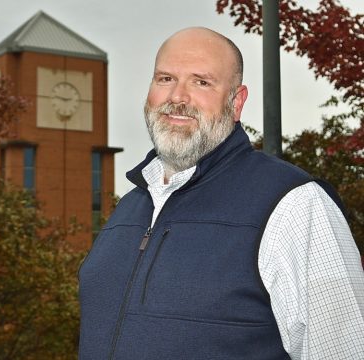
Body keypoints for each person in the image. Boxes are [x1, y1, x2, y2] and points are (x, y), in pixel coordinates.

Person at [78, 27, 364, 360]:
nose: (178, 97)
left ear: (237, 102)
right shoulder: (128, 209)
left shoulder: (295, 204)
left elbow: (345, 350)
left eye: (201, 82)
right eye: (165, 79)